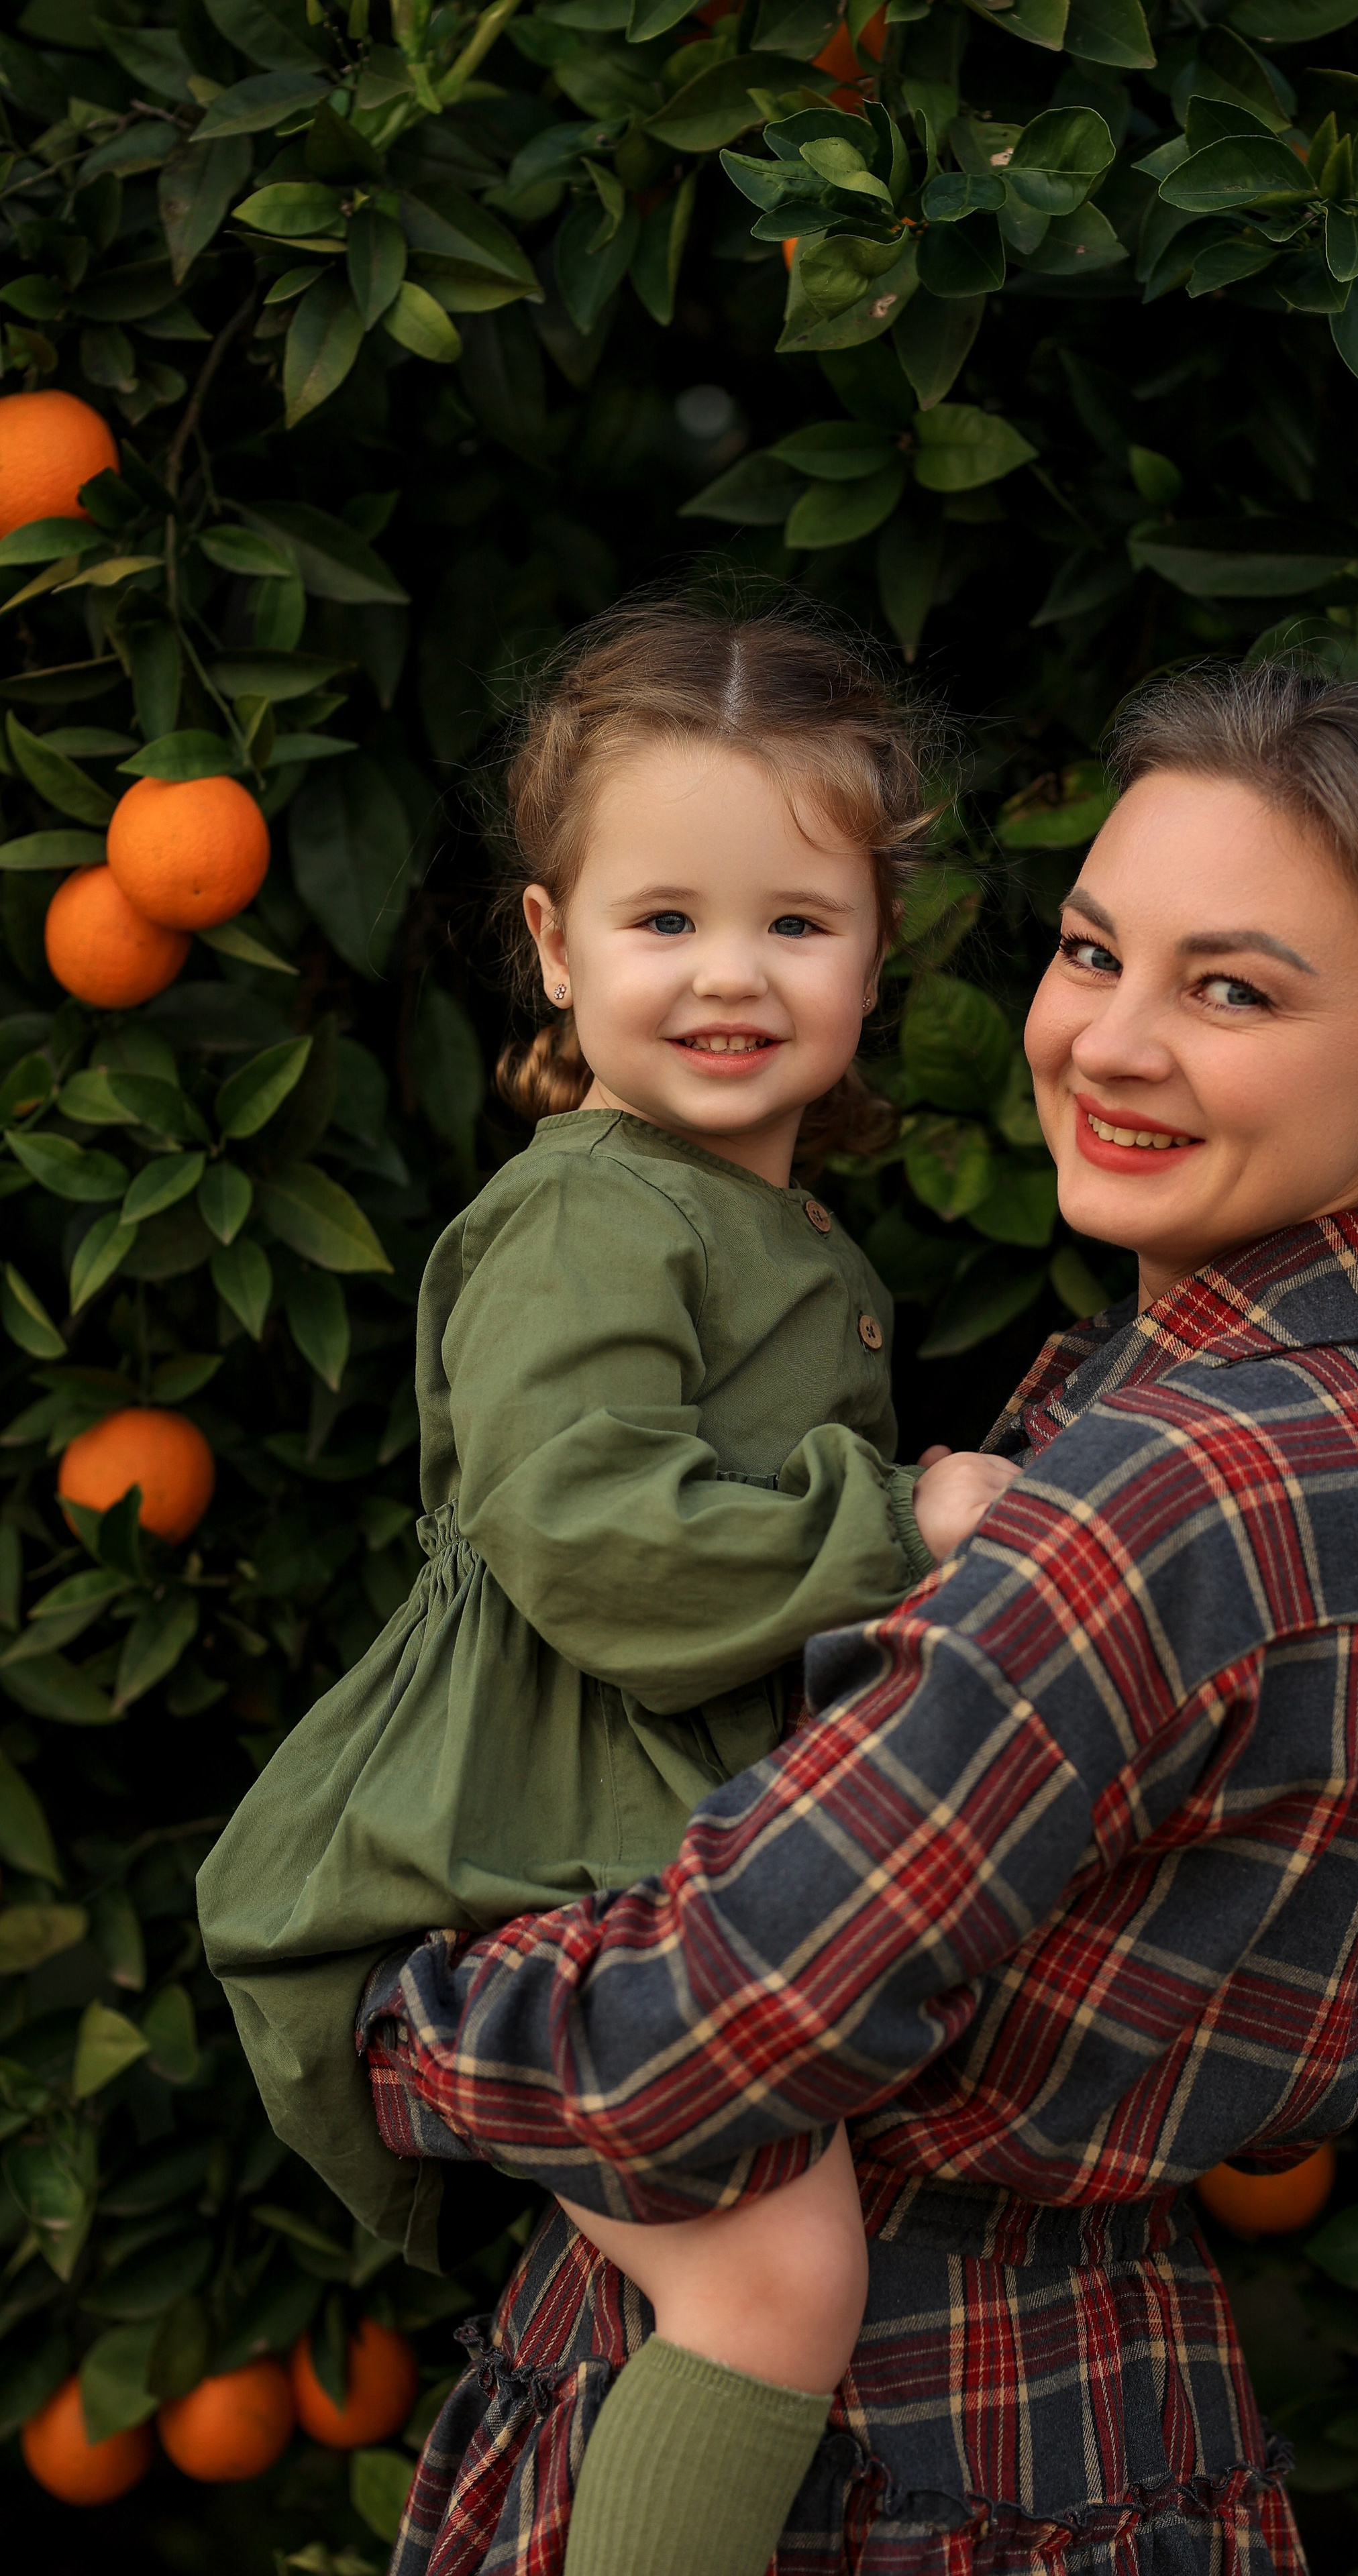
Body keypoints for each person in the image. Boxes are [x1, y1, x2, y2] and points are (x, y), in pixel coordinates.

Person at [358, 661, 1358, 2576]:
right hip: (1106, 2399)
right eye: (1095, 953)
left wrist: (401, 2003)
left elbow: (701, 2038)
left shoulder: (1172, 1487)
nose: (1111, 1044)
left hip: (888, 2452)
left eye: (1232, 991)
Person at [197, 596, 1020, 2576]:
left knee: (746, 2275)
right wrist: (901, 1521)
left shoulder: (750, 1215)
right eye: (665, 920)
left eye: (795, 922)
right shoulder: (585, 1213)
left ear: (876, 952)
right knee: (771, 2289)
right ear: (556, 946)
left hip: (628, 1835)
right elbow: (589, 1535)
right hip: (518, 1843)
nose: (731, 973)